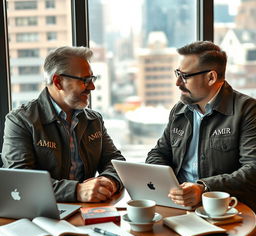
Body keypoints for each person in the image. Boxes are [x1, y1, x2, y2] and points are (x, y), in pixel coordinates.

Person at [1, 46, 125, 203]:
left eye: (92, 79)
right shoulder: (20, 121)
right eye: (85, 80)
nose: (92, 87)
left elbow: (115, 161)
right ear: (58, 82)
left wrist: (109, 180)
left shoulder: (94, 120)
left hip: (88, 210)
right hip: (42, 214)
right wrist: (77, 191)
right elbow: (21, 181)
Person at [146, 40, 256, 212]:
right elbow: (159, 152)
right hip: (178, 204)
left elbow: (252, 170)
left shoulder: (247, 110)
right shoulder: (179, 110)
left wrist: (204, 188)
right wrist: (167, 183)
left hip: (224, 208)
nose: (177, 83)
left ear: (211, 77)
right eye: (177, 73)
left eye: (185, 76)